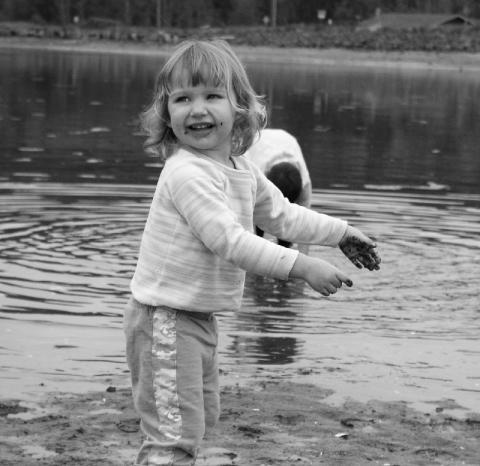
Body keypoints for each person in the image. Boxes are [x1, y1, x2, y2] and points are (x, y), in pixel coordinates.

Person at [124, 39, 380, 466]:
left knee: (198, 420)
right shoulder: (186, 172)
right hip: (164, 321)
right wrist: (303, 266)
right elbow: (232, 241)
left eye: (211, 96)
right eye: (183, 98)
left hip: (196, 318)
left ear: (239, 106)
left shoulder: (241, 169)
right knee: (173, 438)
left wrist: (341, 233)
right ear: (166, 113)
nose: (197, 109)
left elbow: (283, 215)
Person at [245, 128, 312, 247]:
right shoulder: (254, 175)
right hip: (256, 142)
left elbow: (305, 226)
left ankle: (285, 248)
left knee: (288, 226)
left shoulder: (304, 184)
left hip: (286, 139)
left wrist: (304, 261)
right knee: (256, 228)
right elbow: (247, 220)